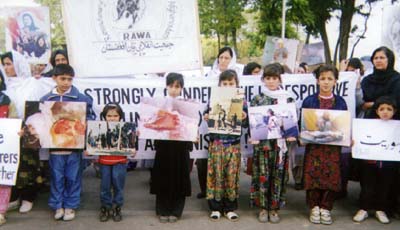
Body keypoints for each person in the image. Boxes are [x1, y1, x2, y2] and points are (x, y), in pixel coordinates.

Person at [40, 64, 96, 221]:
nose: (66, 82)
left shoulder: (82, 99)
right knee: (56, 177)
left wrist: (85, 124)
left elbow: (91, 119)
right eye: (62, 78)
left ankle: (71, 205)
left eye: (69, 79)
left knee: (73, 177)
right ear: (54, 78)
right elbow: (40, 123)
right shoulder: (46, 100)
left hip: (74, 148)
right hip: (54, 147)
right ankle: (57, 205)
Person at [249, 63, 297, 223]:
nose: (271, 81)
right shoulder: (257, 99)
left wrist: (291, 134)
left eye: (274, 78)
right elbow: (252, 121)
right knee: (262, 176)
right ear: (263, 80)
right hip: (263, 146)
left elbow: (291, 121)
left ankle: (275, 208)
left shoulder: (288, 98)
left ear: (280, 79)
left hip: (280, 146)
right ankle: (263, 208)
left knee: (279, 176)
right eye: (268, 78)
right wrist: (252, 134)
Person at [301, 64, 348, 225]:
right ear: (317, 81)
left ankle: (326, 207)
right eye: (322, 79)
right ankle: (314, 206)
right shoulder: (309, 100)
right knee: (313, 173)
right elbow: (304, 125)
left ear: (336, 81)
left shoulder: (340, 102)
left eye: (330, 79)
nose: (326, 82)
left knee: (331, 175)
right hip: (314, 147)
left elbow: (343, 125)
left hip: (333, 148)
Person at [205, 69, 248, 221]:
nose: (228, 86)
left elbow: (248, 123)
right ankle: (215, 208)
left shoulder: (242, 101)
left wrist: (244, 117)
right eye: (225, 83)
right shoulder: (214, 99)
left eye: (231, 83)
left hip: (233, 145)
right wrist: (206, 116)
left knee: (231, 176)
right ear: (220, 84)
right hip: (216, 144)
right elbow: (207, 115)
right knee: (215, 175)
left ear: (236, 84)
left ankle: (230, 207)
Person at [150, 73, 192, 223]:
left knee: (179, 179)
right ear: (166, 87)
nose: (174, 89)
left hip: (181, 148)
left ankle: (176, 210)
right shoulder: (159, 104)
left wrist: (194, 134)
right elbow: (153, 123)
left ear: (182, 88)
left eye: (177, 86)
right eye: (171, 86)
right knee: (163, 178)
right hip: (164, 148)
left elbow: (191, 125)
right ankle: (162, 209)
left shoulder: (188, 105)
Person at [352, 96, 397, 224]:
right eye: (382, 109)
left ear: (394, 111)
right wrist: (356, 142)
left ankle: (380, 209)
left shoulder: (397, 127)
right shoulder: (368, 125)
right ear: (376, 111)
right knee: (367, 186)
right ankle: (364, 209)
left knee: (384, 186)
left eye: (389, 109)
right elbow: (360, 139)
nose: (385, 112)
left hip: (388, 164)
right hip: (369, 163)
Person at [97, 103, 136, 222]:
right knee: (105, 186)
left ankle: (117, 207)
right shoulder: (99, 129)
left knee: (118, 185)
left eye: (115, 115)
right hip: (104, 162)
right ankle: (105, 207)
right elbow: (94, 143)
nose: (112, 118)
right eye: (109, 116)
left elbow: (131, 146)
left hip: (120, 161)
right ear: (104, 117)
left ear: (120, 117)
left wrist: (132, 150)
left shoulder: (126, 129)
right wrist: (90, 150)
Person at [361, 46, 400, 118]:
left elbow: (395, 102)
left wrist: (372, 104)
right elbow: (361, 103)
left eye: (382, 58)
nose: (378, 60)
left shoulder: (397, 79)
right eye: (375, 58)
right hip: (369, 121)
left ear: (390, 60)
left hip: (394, 121)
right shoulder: (367, 80)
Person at [0, 70, 18, 226]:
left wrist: (15, 131)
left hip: (4, 148)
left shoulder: (7, 101)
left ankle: (0, 211)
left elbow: (13, 120)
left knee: (3, 179)